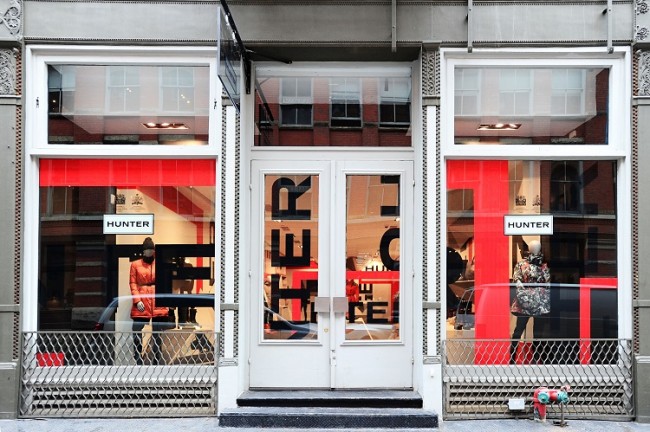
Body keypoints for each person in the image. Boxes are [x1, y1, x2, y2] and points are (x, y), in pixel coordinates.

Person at [129, 237, 169, 365]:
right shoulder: (135, 265)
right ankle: (138, 357)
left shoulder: (159, 263)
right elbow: (133, 283)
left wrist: (166, 301)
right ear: (143, 251)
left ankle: (156, 359)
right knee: (136, 329)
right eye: (147, 250)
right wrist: (137, 300)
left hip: (157, 300)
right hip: (142, 300)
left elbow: (165, 282)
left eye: (151, 250)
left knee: (157, 333)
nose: (149, 252)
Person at [510, 240, 551, 364]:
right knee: (518, 331)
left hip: (538, 304)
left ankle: (537, 360)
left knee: (538, 333)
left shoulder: (544, 266)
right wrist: (526, 297)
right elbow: (517, 282)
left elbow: (548, 285)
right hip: (525, 303)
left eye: (538, 247)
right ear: (529, 249)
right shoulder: (521, 265)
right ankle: (512, 359)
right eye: (534, 247)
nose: (536, 249)